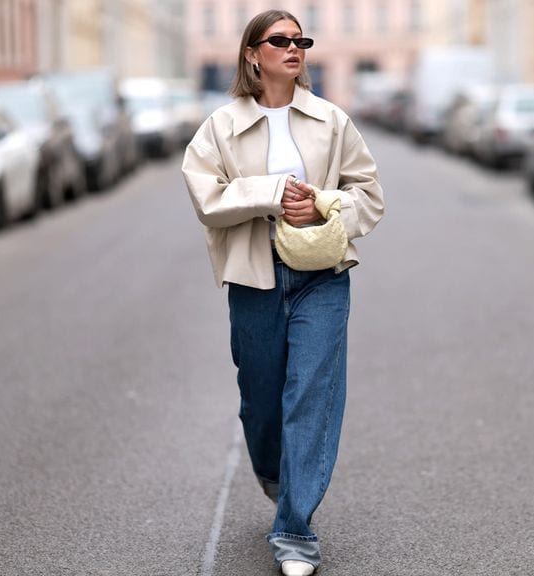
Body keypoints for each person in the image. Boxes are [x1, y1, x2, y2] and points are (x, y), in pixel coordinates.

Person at [181, 9, 384, 576]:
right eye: (281, 41)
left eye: (302, 41)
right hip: (254, 276)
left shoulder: (332, 121)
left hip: (322, 274)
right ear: (253, 54)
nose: (294, 49)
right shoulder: (219, 128)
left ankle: (295, 530)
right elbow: (206, 197)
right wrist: (273, 194)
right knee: (262, 400)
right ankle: (275, 474)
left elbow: (368, 194)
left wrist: (321, 203)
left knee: (311, 399)